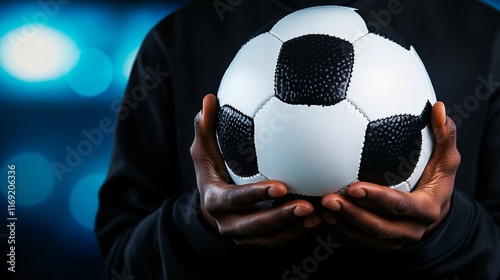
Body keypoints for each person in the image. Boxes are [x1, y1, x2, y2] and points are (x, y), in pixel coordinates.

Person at [95, 0, 500, 279]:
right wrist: (200, 225)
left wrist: (447, 230)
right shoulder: (175, 41)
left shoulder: (489, 39)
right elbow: (121, 261)